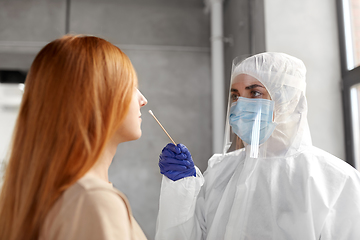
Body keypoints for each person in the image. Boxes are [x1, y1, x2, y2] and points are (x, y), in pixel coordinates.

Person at [155, 52, 360, 240]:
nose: (240, 104)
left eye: (254, 93)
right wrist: (181, 190)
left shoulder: (334, 180)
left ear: (288, 99)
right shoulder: (220, 170)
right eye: (235, 95)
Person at [0, 35, 148, 240]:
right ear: (99, 96)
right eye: (131, 86)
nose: (143, 100)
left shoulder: (40, 195)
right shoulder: (92, 201)